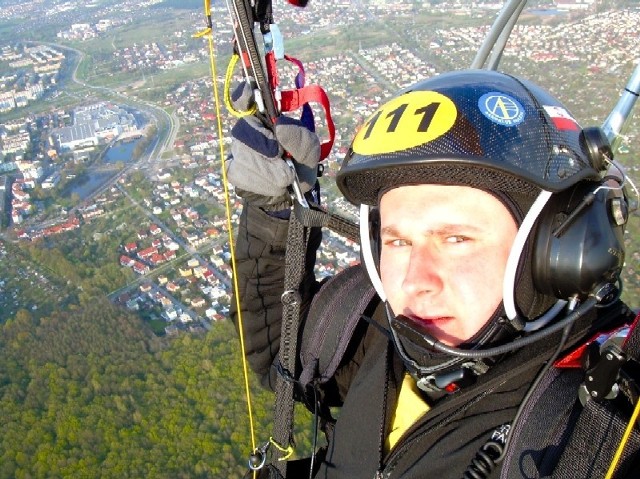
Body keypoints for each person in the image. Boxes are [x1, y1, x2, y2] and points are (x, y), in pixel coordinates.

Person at [228, 69, 640, 478]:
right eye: (398, 242)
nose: (413, 282)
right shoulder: (377, 326)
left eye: (456, 239)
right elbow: (279, 351)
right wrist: (274, 218)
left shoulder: (607, 424)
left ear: (556, 251)